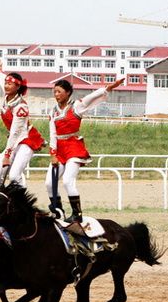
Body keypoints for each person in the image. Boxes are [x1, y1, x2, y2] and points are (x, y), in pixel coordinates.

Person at [46, 77, 124, 224]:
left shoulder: (77, 106)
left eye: (59, 91)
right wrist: (53, 154)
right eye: (54, 91)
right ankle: (58, 211)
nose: (56, 94)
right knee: (50, 183)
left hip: (74, 147)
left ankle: (77, 214)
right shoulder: (53, 112)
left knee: (68, 181)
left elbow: (92, 96)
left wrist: (109, 87)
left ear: (68, 93)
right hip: (59, 149)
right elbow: (52, 134)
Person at [0, 58, 45, 191]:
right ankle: (0, 204)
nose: (6, 86)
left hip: (26, 140)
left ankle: (23, 205)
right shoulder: (8, 97)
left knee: (14, 176)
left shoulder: (21, 107)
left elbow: (15, 132)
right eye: (6, 83)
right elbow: (2, 79)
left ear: (18, 87)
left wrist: (7, 156)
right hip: (14, 140)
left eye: (10, 84)